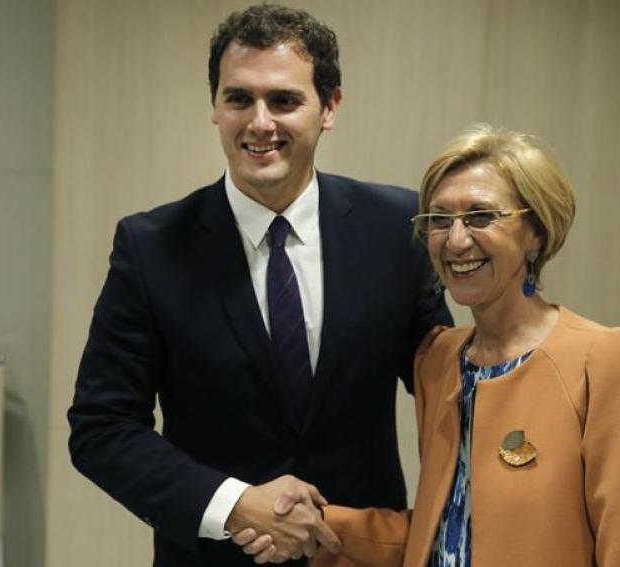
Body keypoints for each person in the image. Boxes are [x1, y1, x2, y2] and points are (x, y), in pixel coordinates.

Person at [67, 4, 452, 566]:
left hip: (360, 555)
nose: (260, 123)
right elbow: (100, 428)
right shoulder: (151, 247)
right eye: (239, 98)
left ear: (330, 106)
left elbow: (444, 389)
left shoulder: (396, 228)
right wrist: (233, 503)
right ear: (216, 108)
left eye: (284, 100)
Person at [244, 124, 620, 566]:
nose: (455, 240)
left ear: (537, 232)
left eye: (481, 216)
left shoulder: (601, 360)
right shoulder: (439, 360)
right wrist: (318, 521)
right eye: (438, 219)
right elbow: (447, 528)